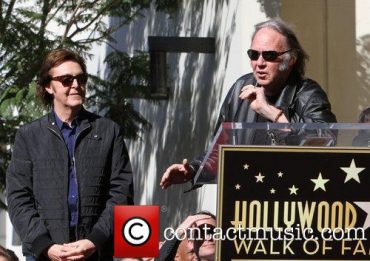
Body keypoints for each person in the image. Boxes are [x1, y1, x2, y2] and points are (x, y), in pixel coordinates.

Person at [160, 18, 337, 189]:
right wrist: (192, 170)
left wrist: (271, 113)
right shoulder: (241, 87)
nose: (259, 63)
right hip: (245, 201)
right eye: (254, 54)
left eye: (269, 55)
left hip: (290, 200)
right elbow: (219, 151)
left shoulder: (308, 94)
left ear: (291, 60)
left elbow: (325, 141)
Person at [6, 49, 133, 260]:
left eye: (80, 78)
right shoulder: (29, 136)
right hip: (45, 254)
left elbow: (121, 194)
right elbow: (19, 198)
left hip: (96, 252)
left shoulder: (108, 131)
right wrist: (45, 246)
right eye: (66, 79)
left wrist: (95, 240)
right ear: (49, 86)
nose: (75, 84)